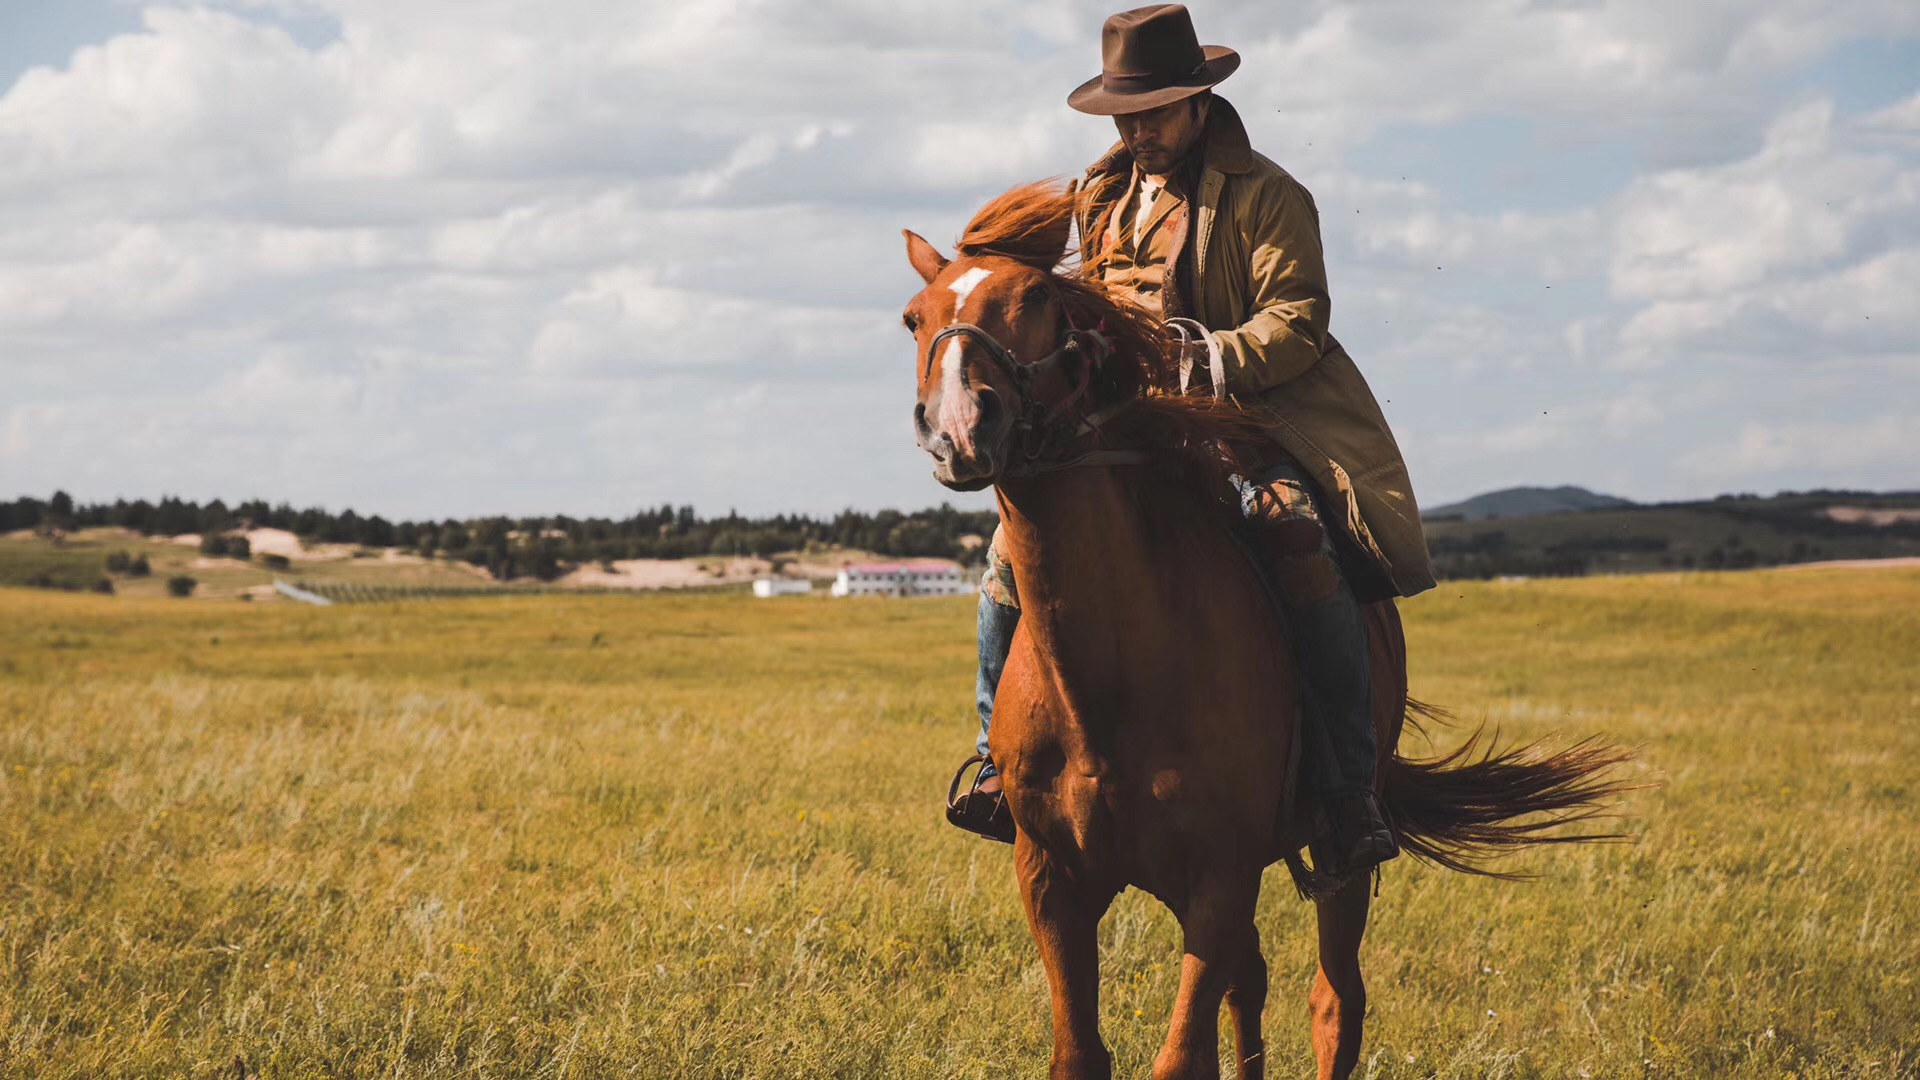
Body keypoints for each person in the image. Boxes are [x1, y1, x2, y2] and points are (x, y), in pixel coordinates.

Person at [946, 4, 1438, 880]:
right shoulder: (1100, 195)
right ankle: (993, 762)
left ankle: (1349, 785)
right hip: (1120, 432)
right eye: (1126, 116)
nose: (1140, 131)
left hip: (1238, 422)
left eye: (1156, 112)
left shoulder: (1271, 195)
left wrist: (1206, 357)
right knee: (1005, 560)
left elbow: (1300, 318)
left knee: (1297, 533)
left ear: (1200, 103)